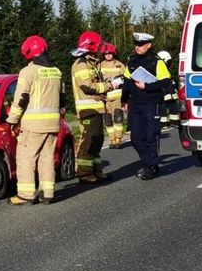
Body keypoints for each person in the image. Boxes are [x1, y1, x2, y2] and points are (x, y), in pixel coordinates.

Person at [6, 35, 63, 205]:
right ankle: (48, 192)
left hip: (33, 124)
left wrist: (12, 119)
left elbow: (21, 98)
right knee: (47, 157)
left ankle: (26, 194)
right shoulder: (56, 71)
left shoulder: (28, 72)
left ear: (28, 52)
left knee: (26, 157)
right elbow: (62, 98)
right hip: (53, 123)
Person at [70, 31, 119, 182]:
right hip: (88, 110)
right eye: (99, 46)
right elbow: (86, 87)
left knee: (97, 141)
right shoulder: (81, 64)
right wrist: (109, 85)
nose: (101, 50)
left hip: (97, 109)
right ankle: (84, 173)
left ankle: (96, 170)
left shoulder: (91, 63)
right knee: (88, 141)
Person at [123, 32, 170, 179]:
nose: (138, 47)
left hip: (151, 102)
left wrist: (147, 86)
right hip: (135, 104)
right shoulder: (131, 61)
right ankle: (148, 163)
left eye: (141, 44)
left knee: (151, 136)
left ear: (149, 45)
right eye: (136, 44)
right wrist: (124, 100)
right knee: (136, 138)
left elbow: (166, 82)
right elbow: (127, 82)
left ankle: (151, 167)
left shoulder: (156, 61)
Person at [99, 42, 127, 147]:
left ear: (113, 53)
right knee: (107, 120)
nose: (108, 55)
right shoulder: (99, 66)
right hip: (105, 98)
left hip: (118, 97)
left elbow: (126, 79)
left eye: (110, 53)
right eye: (106, 54)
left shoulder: (120, 65)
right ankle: (111, 139)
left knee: (118, 118)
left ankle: (118, 138)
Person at [156, 50, 180, 129]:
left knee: (172, 105)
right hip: (163, 91)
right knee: (163, 106)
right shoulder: (159, 68)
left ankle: (173, 121)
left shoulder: (162, 67)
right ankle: (164, 123)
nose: (169, 63)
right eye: (168, 61)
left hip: (169, 91)